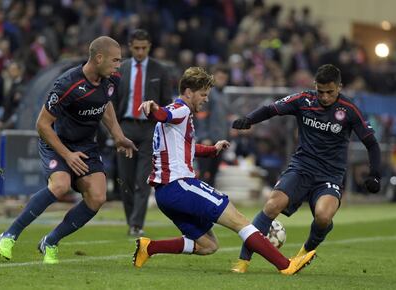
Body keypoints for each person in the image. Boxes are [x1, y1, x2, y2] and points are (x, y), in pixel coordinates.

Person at [132, 67, 316, 275]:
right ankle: (285, 265)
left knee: (208, 245)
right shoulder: (180, 110)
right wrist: (152, 107)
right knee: (239, 220)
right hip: (179, 186)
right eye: (203, 94)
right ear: (189, 92)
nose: (206, 99)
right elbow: (161, 114)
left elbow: (186, 148)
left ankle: (149, 247)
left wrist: (213, 150)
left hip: (165, 194)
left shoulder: (179, 118)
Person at [0, 36, 137, 264]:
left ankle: (50, 241)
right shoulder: (67, 84)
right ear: (98, 58)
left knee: (97, 197)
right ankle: (8, 235)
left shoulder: (112, 78)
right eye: (115, 60)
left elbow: (105, 103)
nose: (119, 65)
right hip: (58, 142)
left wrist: (117, 135)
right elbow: (42, 124)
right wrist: (67, 155)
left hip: (86, 145)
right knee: (59, 185)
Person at [231, 64, 381, 273]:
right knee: (273, 205)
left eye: (330, 92)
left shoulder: (349, 109)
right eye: (321, 92)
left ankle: (303, 253)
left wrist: (374, 175)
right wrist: (249, 119)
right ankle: (242, 262)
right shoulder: (303, 100)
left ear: (339, 87)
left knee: (323, 216)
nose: (325, 97)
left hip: (330, 174)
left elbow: (372, 144)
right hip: (301, 167)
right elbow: (271, 109)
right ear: (315, 86)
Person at [114, 29, 172, 237]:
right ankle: (132, 222)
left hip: (149, 129)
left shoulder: (160, 70)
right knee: (125, 180)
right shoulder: (120, 69)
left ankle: (136, 224)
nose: (140, 52)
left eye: (144, 48)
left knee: (143, 180)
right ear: (130, 47)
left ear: (149, 47)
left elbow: (167, 103)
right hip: (125, 128)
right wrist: (114, 131)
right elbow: (111, 102)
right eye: (136, 48)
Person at [195, 65, 230, 186]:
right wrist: (204, 136)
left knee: (213, 174)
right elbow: (201, 116)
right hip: (208, 141)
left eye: (224, 78)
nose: (222, 80)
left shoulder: (225, 95)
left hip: (219, 141)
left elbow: (225, 119)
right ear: (213, 78)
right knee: (204, 173)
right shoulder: (208, 94)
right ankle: (199, 202)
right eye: (219, 78)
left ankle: (209, 203)